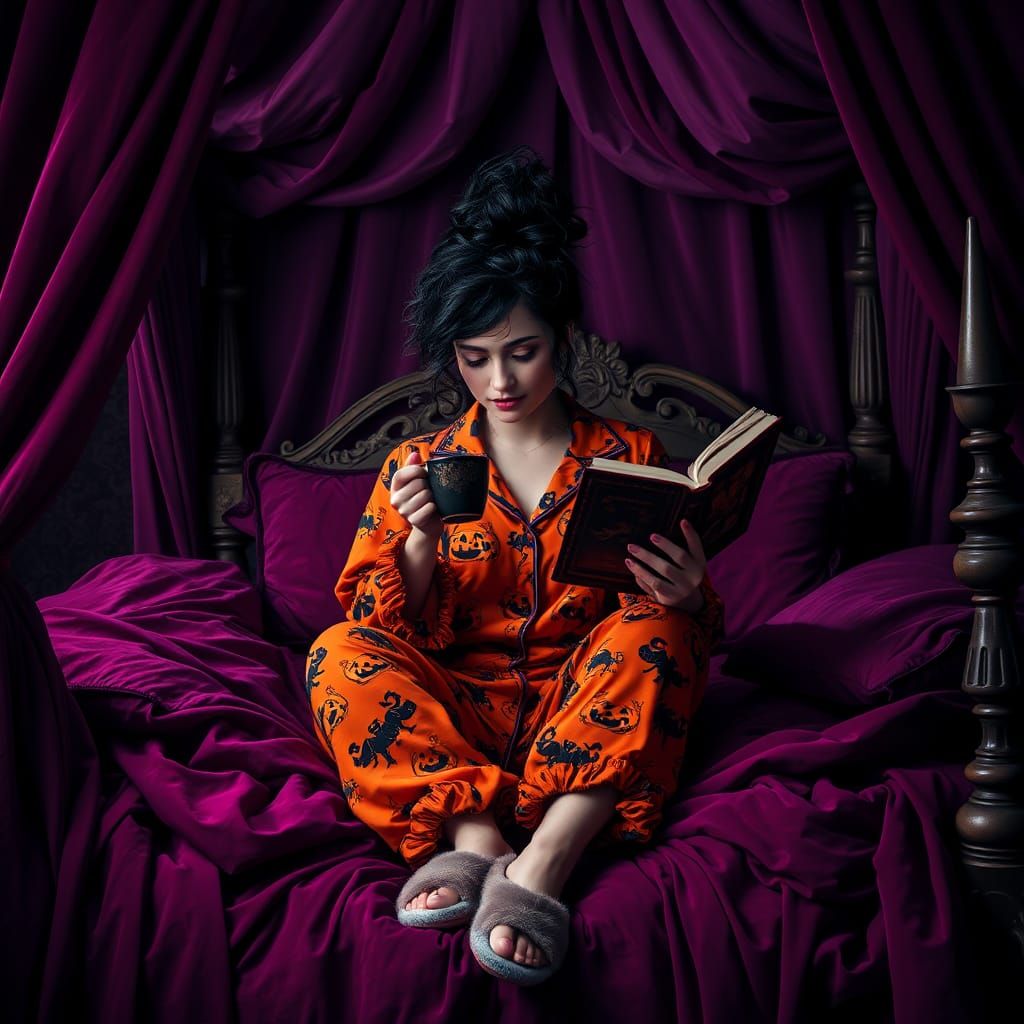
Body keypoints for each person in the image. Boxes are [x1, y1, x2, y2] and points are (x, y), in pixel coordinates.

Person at [306, 148, 723, 986]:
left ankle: (544, 866)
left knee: (661, 627)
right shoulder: (417, 465)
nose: (499, 381)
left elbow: (661, 638)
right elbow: (383, 634)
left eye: (523, 352)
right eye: (475, 357)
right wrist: (418, 542)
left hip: (583, 707)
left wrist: (688, 595)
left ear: (562, 340)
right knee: (335, 652)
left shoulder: (630, 456)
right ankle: (476, 841)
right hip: (455, 717)